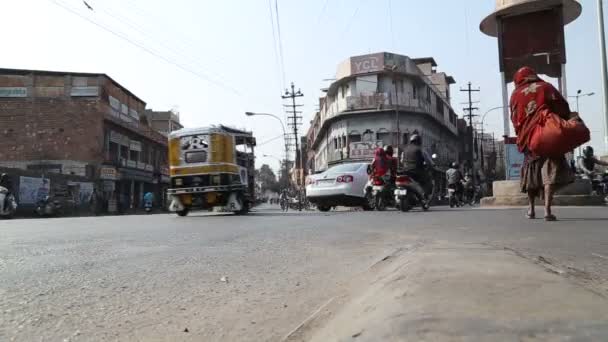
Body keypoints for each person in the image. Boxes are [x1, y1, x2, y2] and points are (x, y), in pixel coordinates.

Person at [511, 66, 575, 221]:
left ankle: (531, 210)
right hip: (549, 136)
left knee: (531, 174)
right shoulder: (546, 87)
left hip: (529, 139)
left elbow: (514, 117)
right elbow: (562, 106)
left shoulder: (515, 94)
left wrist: (523, 131)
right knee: (550, 173)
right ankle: (547, 210)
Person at [400, 134, 431, 205]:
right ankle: (424, 196)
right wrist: (430, 166)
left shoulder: (405, 150)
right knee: (427, 179)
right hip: (416, 171)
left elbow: (402, 161)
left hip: (405, 171)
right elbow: (428, 161)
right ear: (418, 141)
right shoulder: (420, 149)